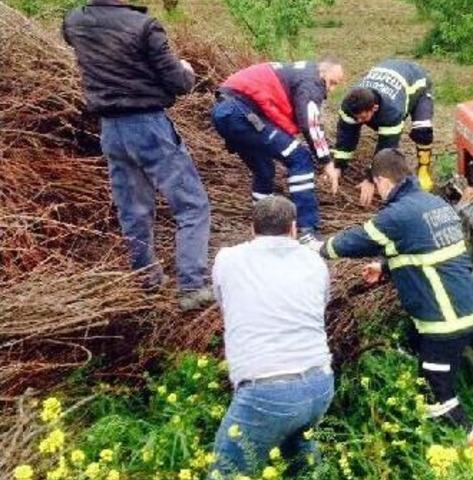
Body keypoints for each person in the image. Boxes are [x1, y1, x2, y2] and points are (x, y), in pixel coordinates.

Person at [320, 149, 473, 443]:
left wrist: (316, 250)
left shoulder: (398, 214)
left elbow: (356, 240)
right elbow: (422, 247)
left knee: (436, 397)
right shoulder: (432, 203)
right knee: (431, 373)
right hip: (463, 310)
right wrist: (384, 266)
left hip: (444, 321)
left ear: (382, 181)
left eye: (377, 186)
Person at [63, 0, 213, 311]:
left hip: (111, 131)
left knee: (133, 210)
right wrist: (186, 70)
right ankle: (191, 287)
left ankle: (147, 281)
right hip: (148, 126)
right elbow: (177, 82)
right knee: (192, 206)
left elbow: (86, 46)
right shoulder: (144, 26)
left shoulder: (75, 20)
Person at [210, 196, 333, 477]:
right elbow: (319, 305)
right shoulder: (315, 261)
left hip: (266, 391)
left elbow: (223, 301)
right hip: (319, 384)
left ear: (252, 229)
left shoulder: (228, 259)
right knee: (300, 462)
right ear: (293, 228)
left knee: (227, 472)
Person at [212, 60, 344, 247]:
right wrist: (326, 161)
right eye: (332, 82)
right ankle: (307, 232)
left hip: (225, 111)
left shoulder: (297, 73)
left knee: (264, 171)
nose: (330, 90)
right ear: (323, 72)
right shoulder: (312, 81)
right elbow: (310, 122)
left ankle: (263, 230)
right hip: (240, 111)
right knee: (300, 158)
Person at [331, 59, 435, 202]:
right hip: (389, 71)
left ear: (374, 108)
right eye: (356, 117)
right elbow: (346, 137)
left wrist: (370, 178)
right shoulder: (348, 105)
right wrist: (338, 166)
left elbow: (386, 149)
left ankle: (424, 168)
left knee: (422, 131)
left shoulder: (391, 111)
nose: (359, 121)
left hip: (417, 81)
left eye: (363, 117)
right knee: (351, 127)